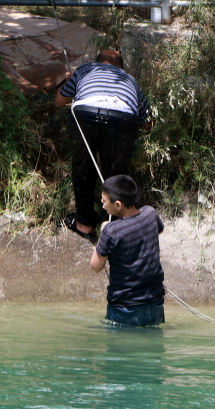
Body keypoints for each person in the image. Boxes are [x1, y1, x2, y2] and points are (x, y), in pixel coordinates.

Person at [55, 49, 150, 240]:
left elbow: (59, 100)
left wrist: (68, 81)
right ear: (121, 66)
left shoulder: (85, 69)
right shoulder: (130, 80)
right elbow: (147, 122)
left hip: (85, 113)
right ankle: (116, 225)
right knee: (116, 173)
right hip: (122, 118)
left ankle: (84, 223)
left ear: (97, 61)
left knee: (83, 167)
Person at [90, 175, 165, 327]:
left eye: (104, 201)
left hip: (125, 308)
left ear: (118, 204)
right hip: (155, 302)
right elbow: (157, 231)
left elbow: (96, 266)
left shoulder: (111, 231)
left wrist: (102, 234)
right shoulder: (150, 213)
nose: (102, 204)